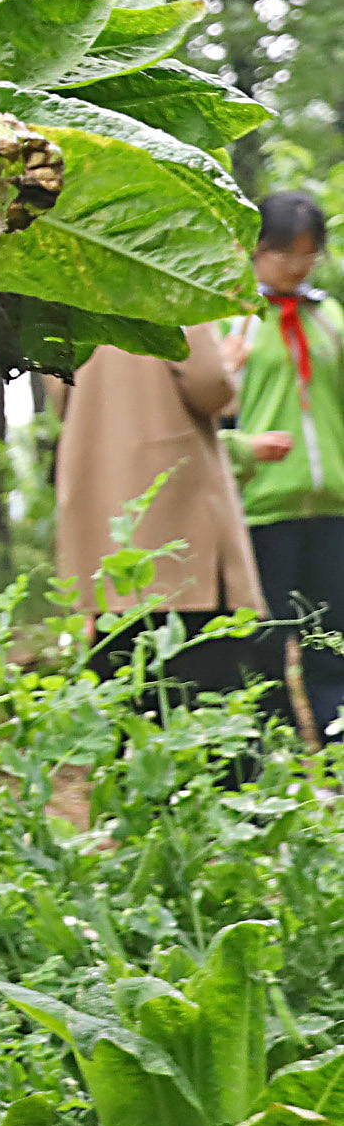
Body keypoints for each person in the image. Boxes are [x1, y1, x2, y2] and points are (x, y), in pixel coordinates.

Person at [48, 334, 270, 722]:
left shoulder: (56, 297)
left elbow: (57, 394)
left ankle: (126, 776)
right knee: (205, 677)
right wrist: (229, 366)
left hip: (100, 499)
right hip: (177, 501)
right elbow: (210, 386)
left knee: (120, 664)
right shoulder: (168, 284)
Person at [232, 188, 344, 733]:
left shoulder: (330, 320)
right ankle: (272, 762)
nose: (295, 265)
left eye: (307, 253)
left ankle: (336, 748)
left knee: (333, 641)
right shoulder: (234, 319)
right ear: (255, 250)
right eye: (283, 252)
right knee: (264, 646)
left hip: (332, 510)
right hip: (259, 510)